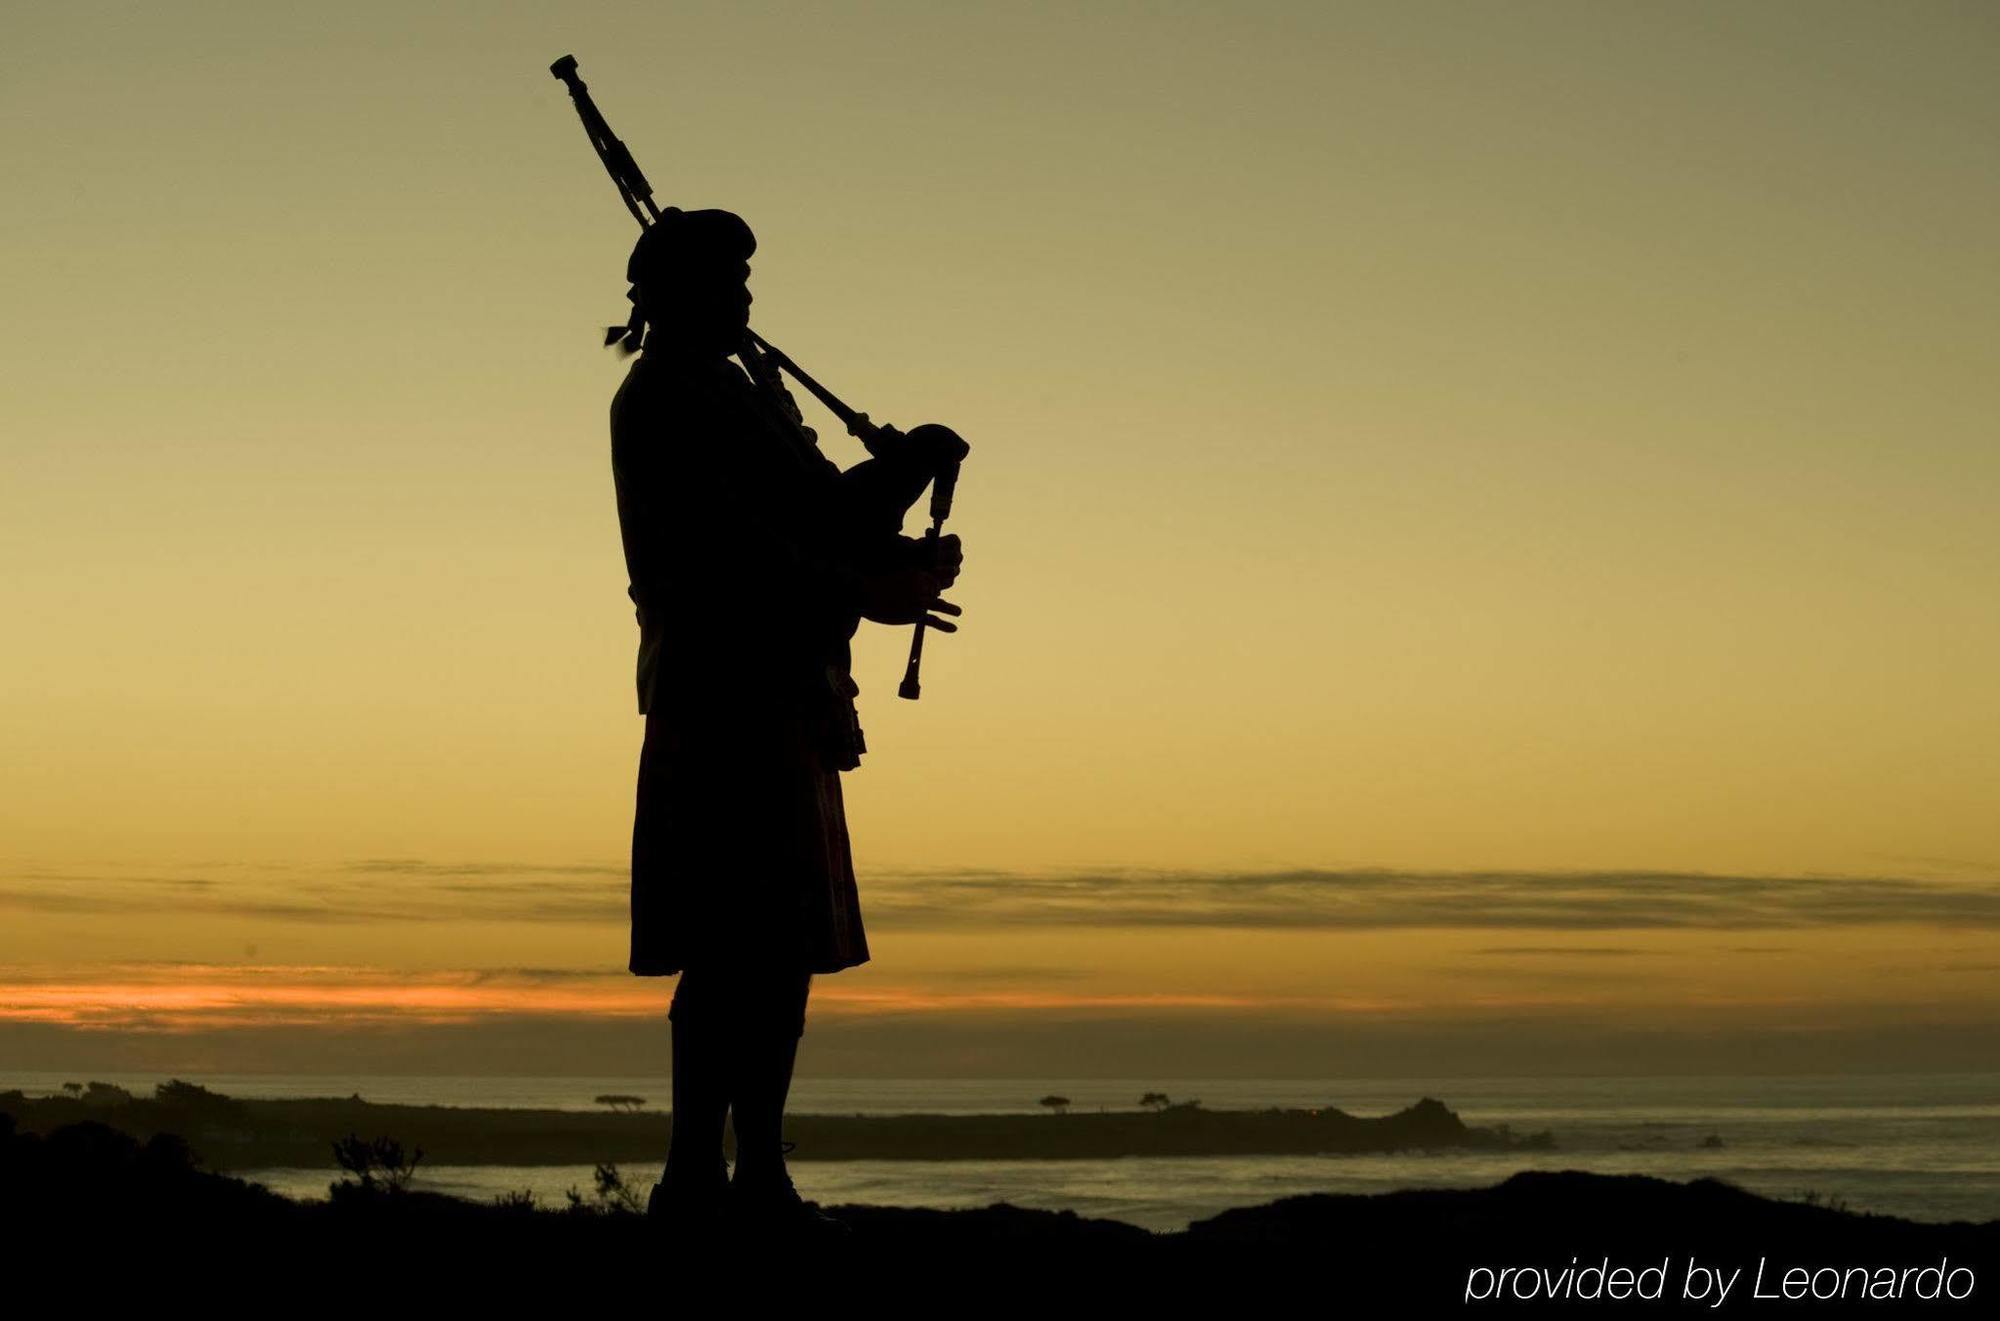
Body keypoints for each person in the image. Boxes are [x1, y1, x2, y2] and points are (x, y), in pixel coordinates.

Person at [607, 208, 963, 1237]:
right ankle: (692, 1183)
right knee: (732, 947)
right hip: (720, 694)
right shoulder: (665, 400)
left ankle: (754, 1174)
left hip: (783, 694)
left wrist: (900, 480)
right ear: (680, 295)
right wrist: (874, 585)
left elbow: (812, 516)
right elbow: (730, 558)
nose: (749, 299)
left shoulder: (727, 390)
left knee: (777, 950)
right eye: (732, 280)